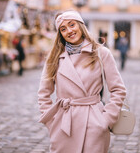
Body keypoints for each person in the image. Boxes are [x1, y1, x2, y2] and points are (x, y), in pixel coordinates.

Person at [38, 10, 126, 153]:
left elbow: (118, 89)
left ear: (81, 25)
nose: (69, 31)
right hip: (64, 125)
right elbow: (43, 94)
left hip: (94, 123)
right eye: (63, 29)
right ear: (60, 34)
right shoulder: (54, 57)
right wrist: (52, 122)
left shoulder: (101, 53)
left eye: (72, 25)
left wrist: (106, 120)